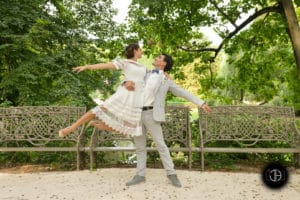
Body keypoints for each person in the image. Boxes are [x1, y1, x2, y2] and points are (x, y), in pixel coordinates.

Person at [123, 54, 212, 187]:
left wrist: (200, 103)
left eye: (159, 57)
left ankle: (171, 174)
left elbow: (182, 92)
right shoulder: (145, 73)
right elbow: (128, 78)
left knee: (161, 145)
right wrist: (125, 83)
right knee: (140, 147)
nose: (156, 58)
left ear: (163, 64)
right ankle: (139, 175)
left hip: (152, 114)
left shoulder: (166, 79)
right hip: (136, 113)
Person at [58, 43, 146, 137]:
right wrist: (88, 67)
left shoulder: (142, 67)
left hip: (136, 97)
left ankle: (104, 127)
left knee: (131, 126)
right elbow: (105, 65)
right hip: (125, 93)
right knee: (100, 109)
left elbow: (150, 76)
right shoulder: (125, 62)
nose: (142, 52)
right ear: (135, 51)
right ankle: (71, 128)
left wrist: (162, 74)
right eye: (140, 50)